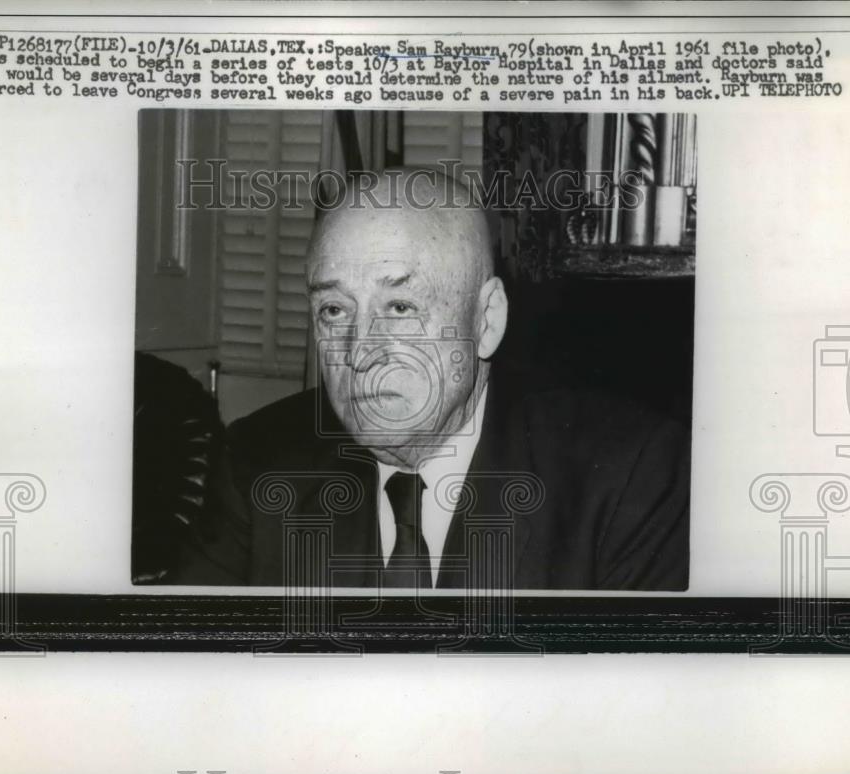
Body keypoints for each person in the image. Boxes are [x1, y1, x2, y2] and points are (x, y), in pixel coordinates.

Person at [176, 171, 690, 590]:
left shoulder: (629, 476)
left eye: (400, 307)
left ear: (485, 321)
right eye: (333, 309)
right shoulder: (257, 463)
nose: (359, 352)